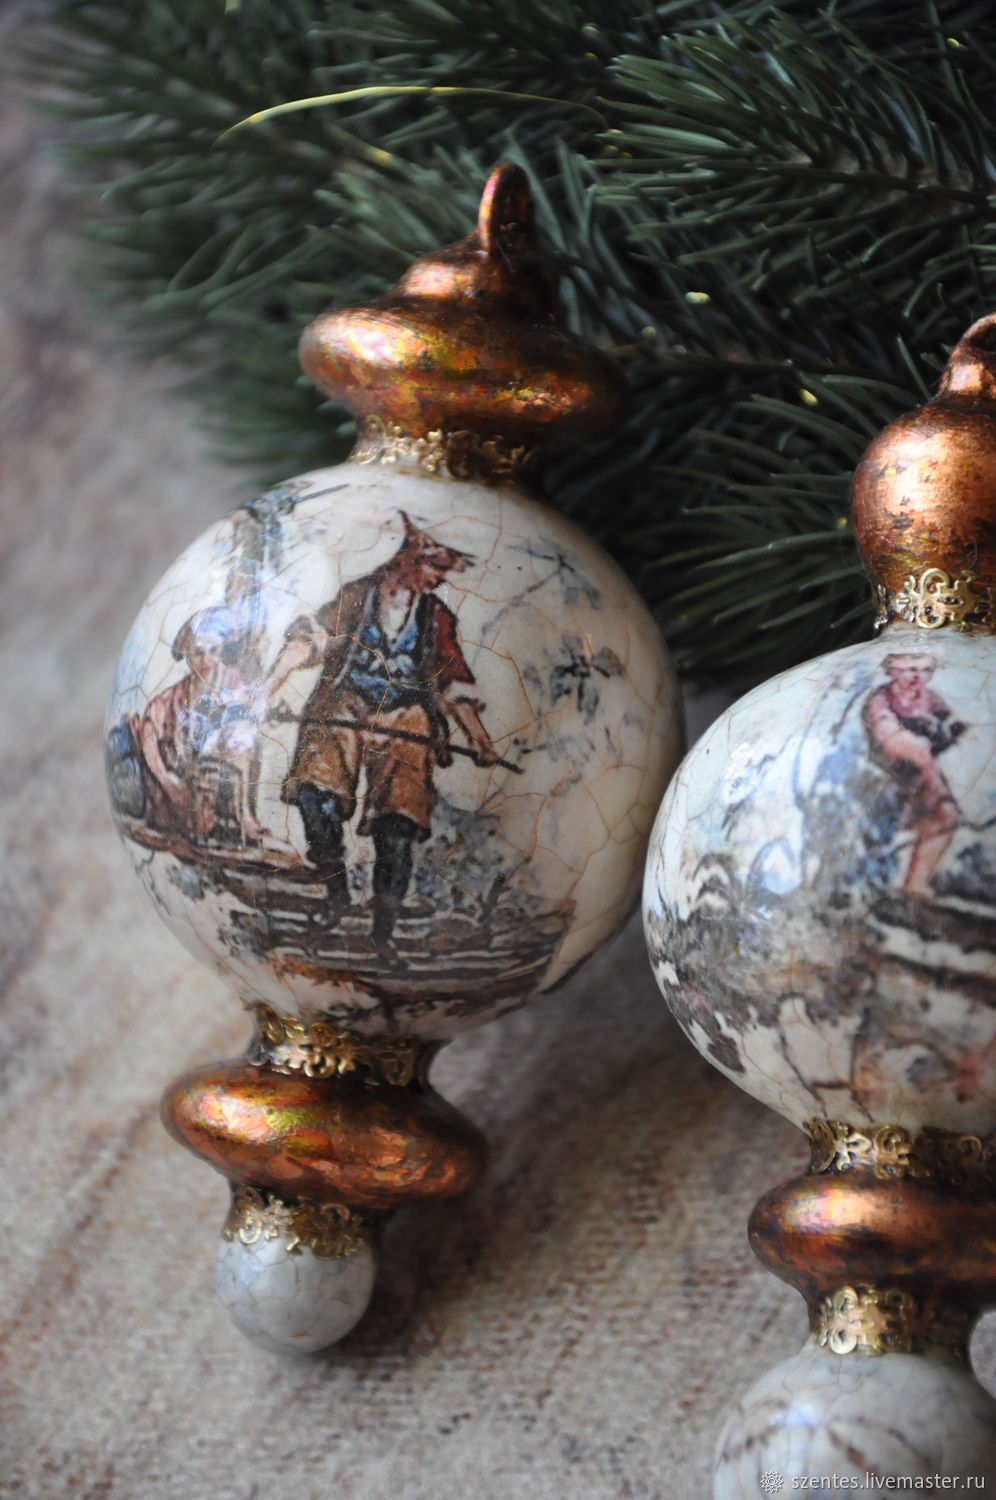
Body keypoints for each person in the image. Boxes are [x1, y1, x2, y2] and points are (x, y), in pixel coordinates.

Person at [278, 513, 498, 945]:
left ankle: (383, 932)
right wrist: (263, 689)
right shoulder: (357, 596)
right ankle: (336, 896)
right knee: (315, 794)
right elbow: (309, 643)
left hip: (405, 715)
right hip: (347, 701)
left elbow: (455, 688)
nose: (440, 579)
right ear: (408, 558)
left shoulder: (436, 617)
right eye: (436, 568)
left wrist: (480, 739)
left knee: (398, 822)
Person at [135, 605, 262, 843]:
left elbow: (244, 728)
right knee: (196, 825)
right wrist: (167, 779)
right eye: (197, 653)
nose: (205, 660)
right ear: (188, 656)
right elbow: (149, 728)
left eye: (212, 651)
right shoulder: (174, 696)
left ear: (221, 651)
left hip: (219, 771)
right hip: (183, 779)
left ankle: (241, 817)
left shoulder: (232, 685)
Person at [862, 652, 965, 895]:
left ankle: (915, 885)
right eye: (911, 670)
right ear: (893, 672)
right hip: (886, 775)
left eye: (926, 670)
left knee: (945, 817)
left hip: (922, 774)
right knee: (880, 830)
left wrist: (948, 732)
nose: (918, 677)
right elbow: (890, 737)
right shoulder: (882, 698)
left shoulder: (930, 698)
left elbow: (953, 726)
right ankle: (874, 885)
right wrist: (918, 746)